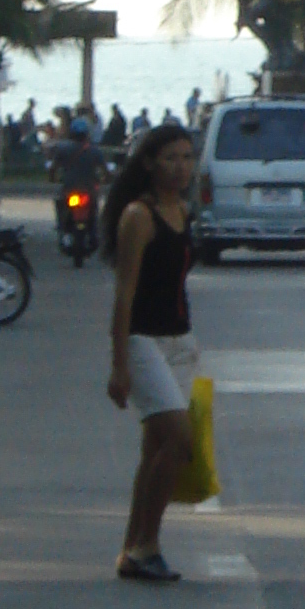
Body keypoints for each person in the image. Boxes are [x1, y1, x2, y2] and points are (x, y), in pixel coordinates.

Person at [105, 119, 199, 583]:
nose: (181, 167)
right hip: (144, 341)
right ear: (148, 164)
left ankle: (132, 549)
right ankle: (149, 543)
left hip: (181, 341)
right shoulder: (138, 216)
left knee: (156, 449)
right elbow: (124, 294)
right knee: (181, 443)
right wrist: (119, 364)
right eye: (170, 158)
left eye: (187, 157)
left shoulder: (182, 209)